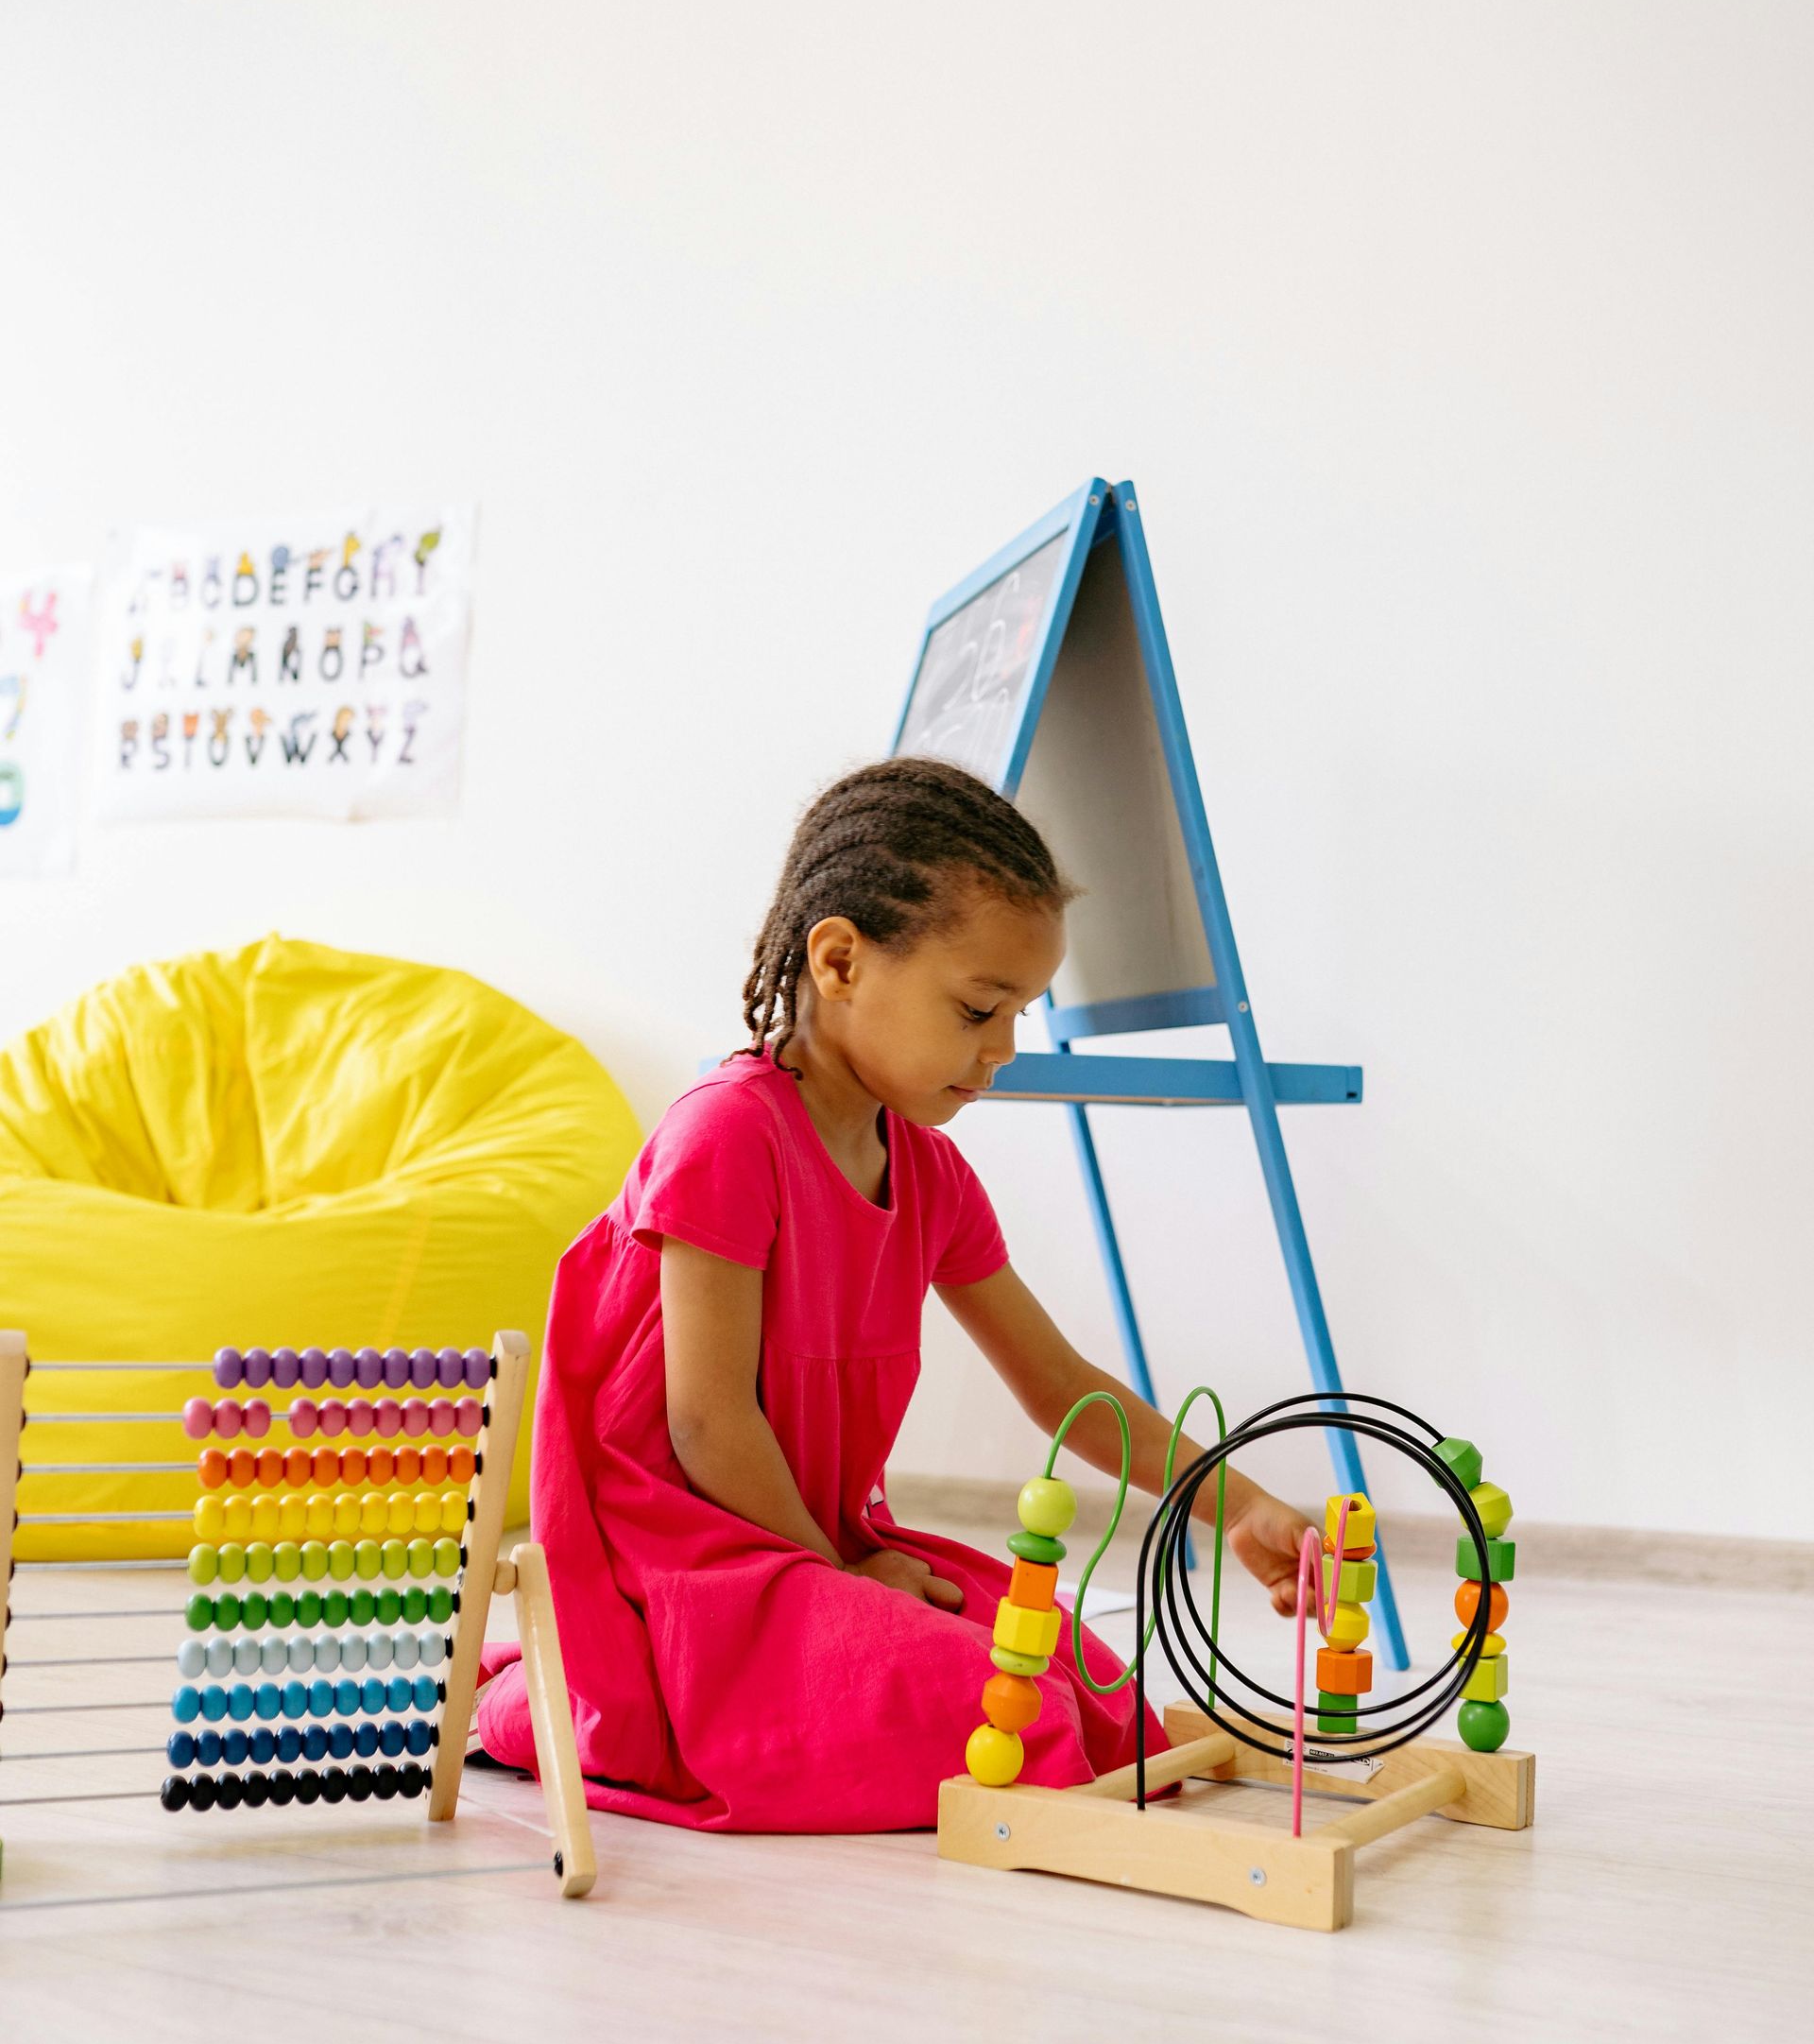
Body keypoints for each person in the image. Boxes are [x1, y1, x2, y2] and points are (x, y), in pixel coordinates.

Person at [476, 757, 1308, 1829]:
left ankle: (627, 1675)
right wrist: (846, 1578)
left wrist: (1234, 1501)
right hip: (694, 1565)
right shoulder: (726, 1134)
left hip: (813, 1548)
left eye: (1018, 1014)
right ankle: (537, 1696)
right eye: (978, 1008)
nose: (1004, 1051)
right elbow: (706, 1420)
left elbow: (1062, 1387)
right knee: (1000, 1720)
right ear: (839, 960)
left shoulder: (930, 1177)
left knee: (1082, 1690)